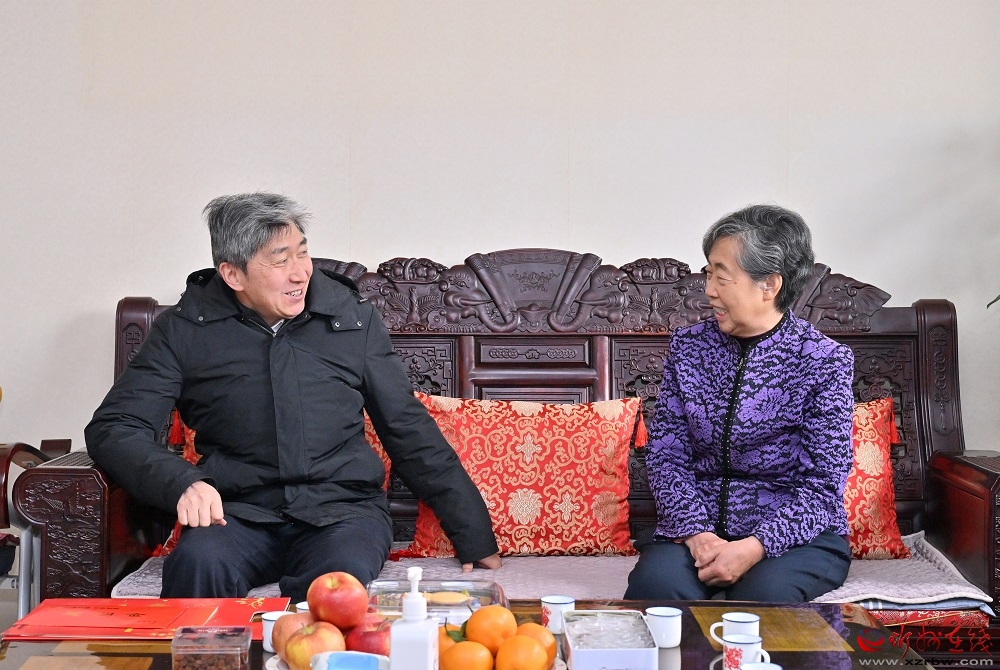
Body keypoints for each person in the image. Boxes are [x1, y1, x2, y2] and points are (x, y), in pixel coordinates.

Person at [86, 192, 501, 601]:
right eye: (280, 260)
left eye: (302, 253)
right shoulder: (184, 330)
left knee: (336, 587)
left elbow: (406, 426)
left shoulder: (351, 319)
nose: (300, 272)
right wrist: (181, 483)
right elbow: (114, 427)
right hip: (237, 514)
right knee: (198, 565)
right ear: (233, 275)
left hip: (343, 512)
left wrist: (474, 533)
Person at [624, 204, 854, 602]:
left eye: (722, 275)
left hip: (793, 538)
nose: (709, 289)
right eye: (708, 273)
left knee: (764, 599)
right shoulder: (689, 348)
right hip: (695, 531)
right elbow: (666, 456)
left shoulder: (823, 360)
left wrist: (753, 547)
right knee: (656, 588)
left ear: (769, 285)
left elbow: (823, 484)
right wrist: (698, 535)